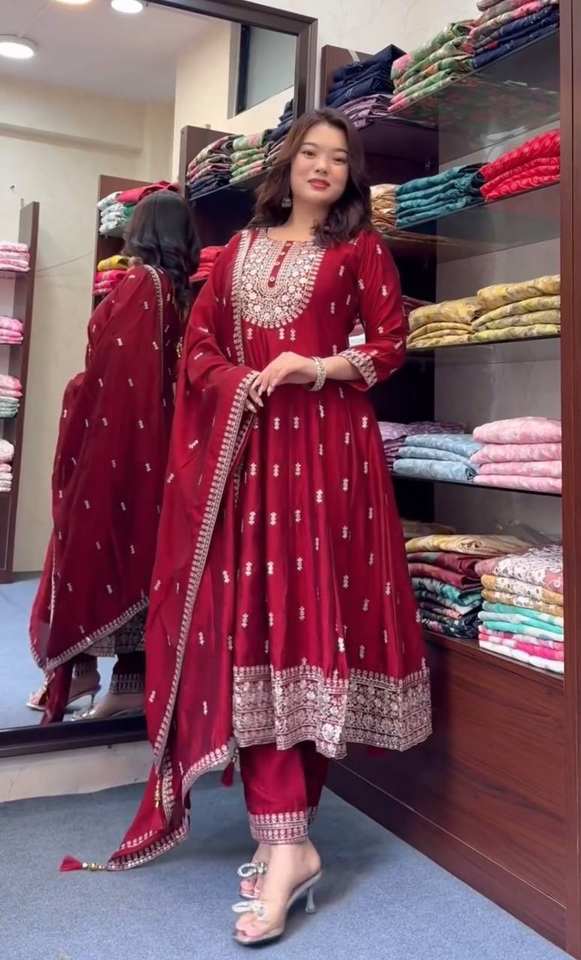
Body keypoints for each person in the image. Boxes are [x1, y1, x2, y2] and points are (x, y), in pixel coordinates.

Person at [63, 109, 432, 946]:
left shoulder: (359, 250)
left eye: (338, 158)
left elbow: (389, 344)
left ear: (350, 174)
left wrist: (316, 366)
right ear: (287, 162)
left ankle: (288, 841)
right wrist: (240, 381)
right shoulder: (235, 252)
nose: (323, 167)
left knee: (316, 632)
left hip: (332, 459)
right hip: (250, 457)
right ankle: (286, 840)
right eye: (310, 153)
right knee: (257, 632)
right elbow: (195, 351)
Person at [28, 190, 199, 724]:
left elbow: (117, 376)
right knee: (131, 553)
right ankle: (114, 677)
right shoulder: (174, 292)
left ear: (140, 231)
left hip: (120, 444)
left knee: (97, 546)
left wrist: (78, 394)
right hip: (150, 445)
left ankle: (92, 673)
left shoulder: (141, 286)